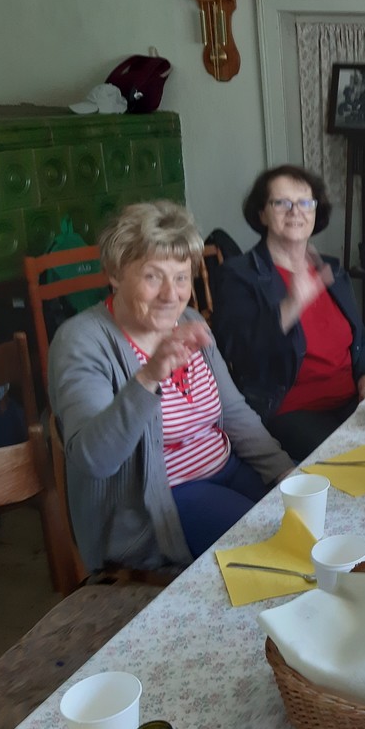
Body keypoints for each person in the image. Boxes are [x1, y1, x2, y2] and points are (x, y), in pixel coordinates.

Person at [49, 201, 295, 572]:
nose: (171, 294)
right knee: (275, 551)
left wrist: (283, 471)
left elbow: (233, 412)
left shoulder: (190, 319)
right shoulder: (82, 341)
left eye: (181, 277)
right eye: (153, 277)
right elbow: (95, 460)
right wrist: (149, 377)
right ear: (115, 274)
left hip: (225, 467)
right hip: (156, 502)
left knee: (308, 517)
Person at [212, 165, 365, 462]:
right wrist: (292, 305)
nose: (296, 211)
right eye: (281, 203)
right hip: (291, 411)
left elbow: (362, 340)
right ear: (262, 214)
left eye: (305, 202)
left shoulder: (331, 270)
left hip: (352, 400)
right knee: (357, 462)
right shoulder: (239, 275)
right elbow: (238, 351)